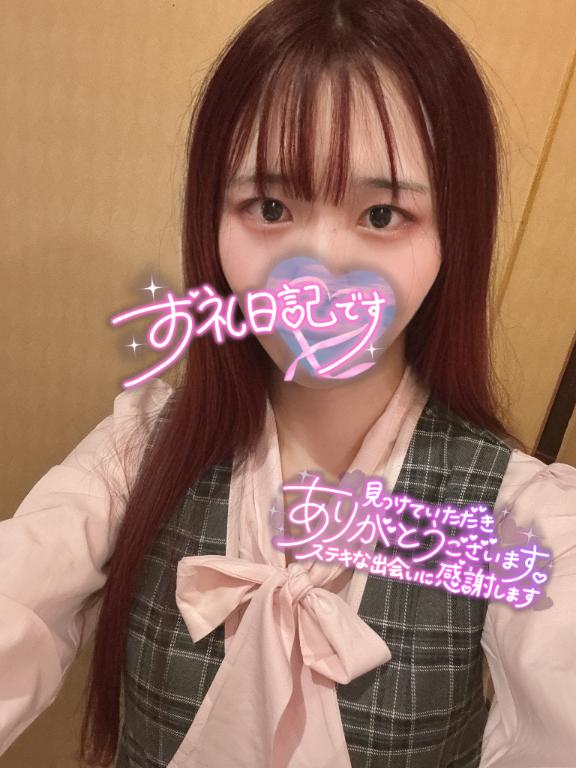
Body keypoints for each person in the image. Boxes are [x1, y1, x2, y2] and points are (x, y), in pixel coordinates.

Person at [1, 0, 575, 766]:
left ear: (453, 236)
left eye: (383, 213)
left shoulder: (514, 513)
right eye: (270, 207)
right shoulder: (138, 452)